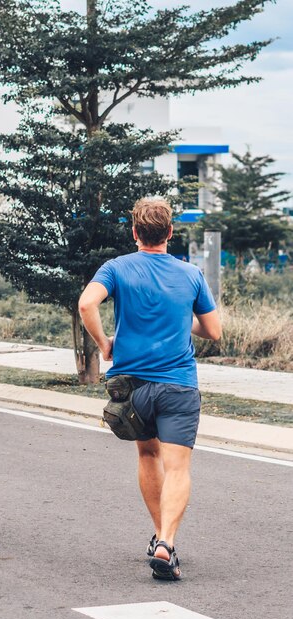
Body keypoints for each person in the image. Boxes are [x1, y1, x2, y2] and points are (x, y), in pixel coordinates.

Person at [78, 197, 221, 581]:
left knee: (147, 456)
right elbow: (214, 331)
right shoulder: (190, 274)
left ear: (135, 233)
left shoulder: (116, 268)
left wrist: (103, 343)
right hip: (178, 386)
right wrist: (182, 323)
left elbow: (86, 304)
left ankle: (160, 535)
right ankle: (166, 542)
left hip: (133, 388)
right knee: (178, 468)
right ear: (170, 233)